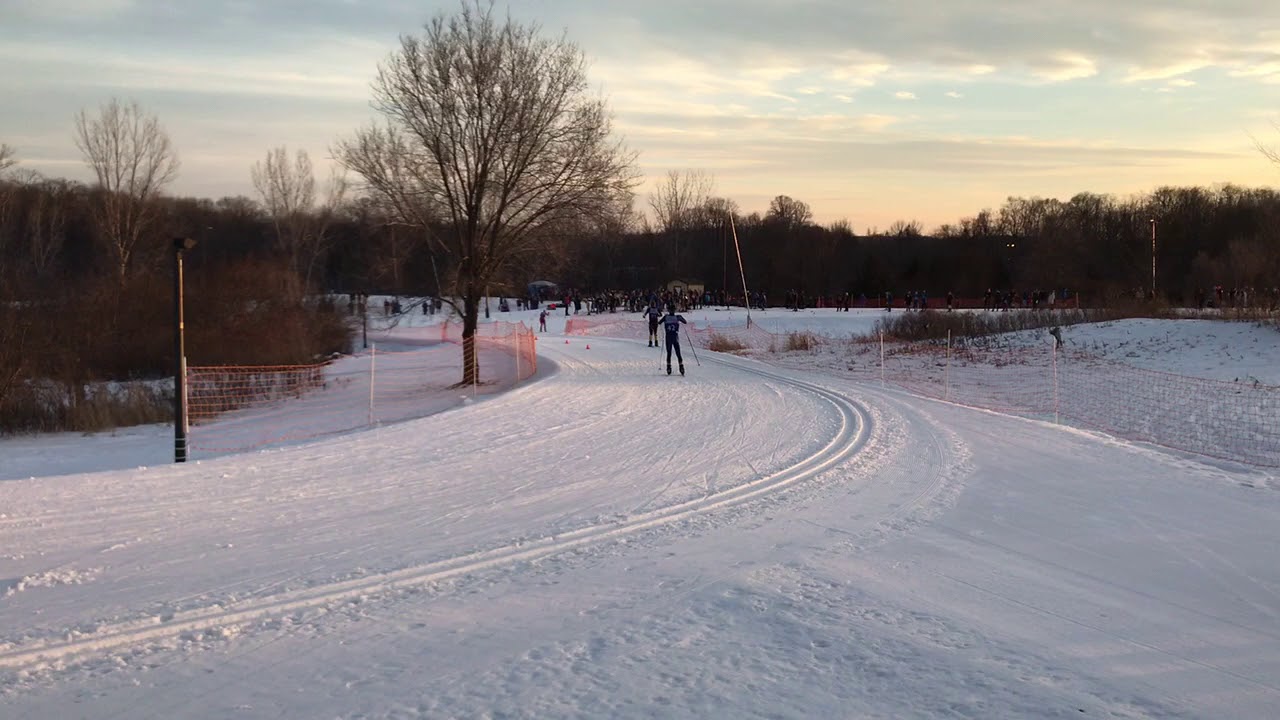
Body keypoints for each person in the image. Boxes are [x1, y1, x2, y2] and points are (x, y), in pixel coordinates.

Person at [661, 304, 687, 375]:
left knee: (669, 353)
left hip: (668, 337)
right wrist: (679, 319)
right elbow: (685, 322)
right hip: (675, 337)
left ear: (669, 310)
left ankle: (668, 367)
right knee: (678, 353)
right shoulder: (678, 317)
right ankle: (681, 366)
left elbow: (659, 322)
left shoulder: (666, 317)